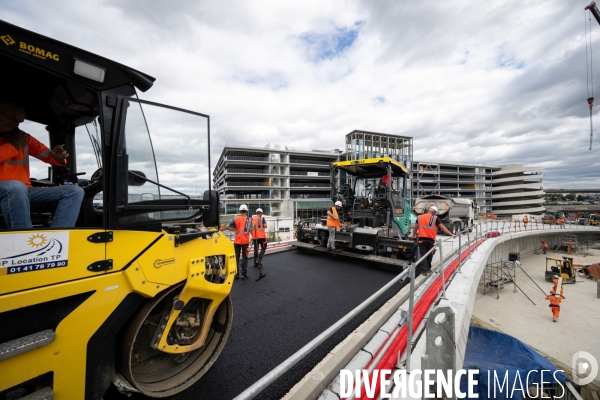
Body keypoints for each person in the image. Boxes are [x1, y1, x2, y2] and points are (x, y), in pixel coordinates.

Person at [0, 101, 84, 229]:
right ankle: (25, 241)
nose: (15, 123)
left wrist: (58, 157)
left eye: (19, 121)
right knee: (15, 187)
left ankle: (57, 238)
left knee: (74, 191)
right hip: (13, 189)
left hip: (24, 190)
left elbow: (47, 155)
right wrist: (11, 146)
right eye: (11, 117)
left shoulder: (23, 138)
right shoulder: (16, 141)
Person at [409, 206, 456, 277]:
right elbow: (442, 227)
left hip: (422, 239)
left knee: (423, 255)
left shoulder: (419, 217)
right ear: (434, 212)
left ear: (429, 210)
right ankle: (428, 269)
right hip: (431, 240)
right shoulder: (435, 218)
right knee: (430, 254)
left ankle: (424, 270)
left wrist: (413, 235)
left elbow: (415, 227)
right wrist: (451, 234)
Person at [227, 204, 254, 280]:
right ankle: (244, 274)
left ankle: (236, 274)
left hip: (237, 241)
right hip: (245, 241)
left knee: (236, 258)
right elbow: (250, 230)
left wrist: (235, 230)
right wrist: (253, 226)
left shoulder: (235, 218)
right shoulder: (250, 219)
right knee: (245, 258)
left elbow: (227, 226)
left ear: (240, 210)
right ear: (246, 211)